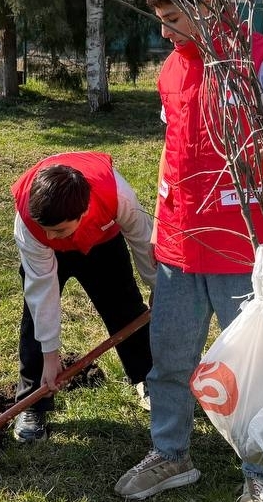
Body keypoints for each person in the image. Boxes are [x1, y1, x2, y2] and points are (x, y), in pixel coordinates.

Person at [114, 0, 263, 502]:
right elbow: (173, 144)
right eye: (160, 19)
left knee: (255, 367)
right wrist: (157, 228)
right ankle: (171, 454)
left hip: (241, 246)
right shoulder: (173, 69)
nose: (164, 30)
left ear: (209, 6)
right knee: (169, 358)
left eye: (173, 17)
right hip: (178, 243)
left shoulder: (262, 61)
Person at [10, 152, 155, 442]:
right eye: (48, 231)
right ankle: (32, 403)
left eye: (60, 231)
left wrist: (158, 287)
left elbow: (143, 242)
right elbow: (42, 293)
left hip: (103, 241)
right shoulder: (30, 225)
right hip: (44, 258)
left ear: (83, 210)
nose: (54, 237)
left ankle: (147, 379)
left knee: (125, 309)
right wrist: (51, 356)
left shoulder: (118, 194)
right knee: (33, 319)